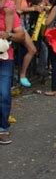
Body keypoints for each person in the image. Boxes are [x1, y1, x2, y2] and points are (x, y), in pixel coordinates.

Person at [0, 8, 25, 145]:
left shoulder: (8, 11)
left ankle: (3, 128)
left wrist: (8, 35)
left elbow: (21, 36)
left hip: (5, 58)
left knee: (4, 94)